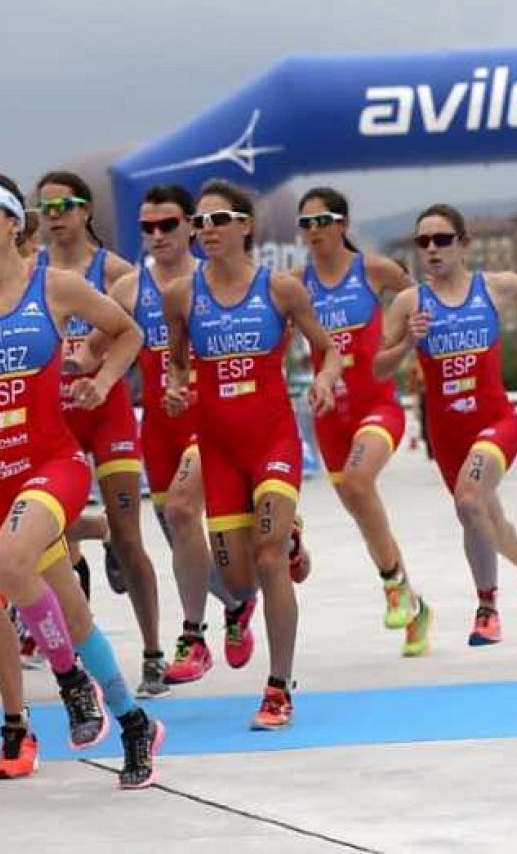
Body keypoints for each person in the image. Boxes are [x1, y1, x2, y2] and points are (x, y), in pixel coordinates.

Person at [0, 173, 163, 789]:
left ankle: (71, 683)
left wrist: (102, 384)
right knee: (72, 616)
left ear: (12, 223)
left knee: (8, 566)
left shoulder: (56, 287)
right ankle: (133, 721)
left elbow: (129, 333)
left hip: (53, 463)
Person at [162, 179, 342, 730]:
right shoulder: (182, 295)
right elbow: (178, 365)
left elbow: (328, 348)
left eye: (218, 220)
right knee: (239, 583)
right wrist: (174, 391)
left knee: (267, 559)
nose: (206, 230)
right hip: (217, 447)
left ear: (246, 226)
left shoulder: (280, 289)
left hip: (272, 441)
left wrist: (326, 381)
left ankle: (278, 687)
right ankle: (284, 539)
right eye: (200, 222)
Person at [375, 203, 517, 647]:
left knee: (470, 499)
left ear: (464, 244)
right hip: (448, 434)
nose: (432, 249)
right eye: (423, 242)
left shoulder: (494, 287)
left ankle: (487, 608)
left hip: (496, 420)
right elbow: (379, 368)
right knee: (485, 520)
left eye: (442, 240)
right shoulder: (409, 303)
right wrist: (407, 343)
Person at [35, 171, 166, 696]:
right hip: (54, 418)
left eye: (65, 204)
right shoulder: (31, 273)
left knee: (131, 535)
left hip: (105, 411)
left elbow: (129, 339)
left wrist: (103, 378)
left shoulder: (114, 271)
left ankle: (154, 650)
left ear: (85, 210)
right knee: (52, 534)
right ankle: (78, 644)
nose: (55, 214)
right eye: (45, 207)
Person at [104, 184, 241, 686]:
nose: (157, 235)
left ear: (191, 225)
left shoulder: (215, 283)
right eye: (147, 228)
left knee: (184, 508)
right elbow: (98, 347)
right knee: (184, 542)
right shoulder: (129, 290)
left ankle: (194, 637)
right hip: (159, 430)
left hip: (210, 426)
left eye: (168, 225)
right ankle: (237, 603)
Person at [298, 187, 431, 655]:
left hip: (377, 404)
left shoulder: (371, 270)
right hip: (329, 415)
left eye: (322, 221)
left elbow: (418, 298)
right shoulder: (296, 283)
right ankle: (412, 602)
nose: (313, 231)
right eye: (306, 223)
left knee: (357, 481)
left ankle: (393, 584)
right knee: (360, 506)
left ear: (342, 223)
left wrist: (413, 350)